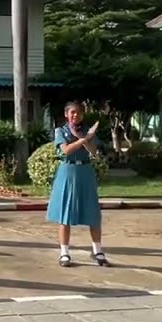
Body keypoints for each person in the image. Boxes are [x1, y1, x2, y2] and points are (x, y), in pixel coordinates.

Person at [46, 102, 111, 268]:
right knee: (65, 214)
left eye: (79, 113)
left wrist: (87, 138)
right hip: (68, 171)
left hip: (85, 171)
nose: (76, 115)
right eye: (73, 112)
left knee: (93, 212)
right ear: (67, 114)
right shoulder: (61, 131)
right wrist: (82, 139)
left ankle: (98, 251)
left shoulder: (87, 130)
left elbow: (93, 151)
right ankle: (64, 253)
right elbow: (66, 150)